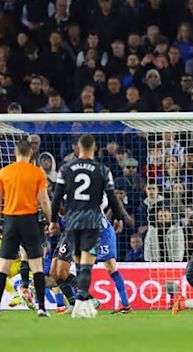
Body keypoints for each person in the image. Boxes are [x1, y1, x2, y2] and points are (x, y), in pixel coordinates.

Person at [49, 134, 123, 319]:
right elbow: (112, 197)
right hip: (91, 222)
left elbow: (56, 198)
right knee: (85, 267)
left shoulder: (66, 169)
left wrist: (53, 221)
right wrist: (119, 217)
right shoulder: (102, 169)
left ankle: (81, 305)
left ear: (78, 148)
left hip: (73, 223)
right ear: (94, 148)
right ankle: (84, 305)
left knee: (74, 266)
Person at [0, 140, 52, 317]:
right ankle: (42, 308)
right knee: (37, 265)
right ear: (31, 153)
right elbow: (44, 200)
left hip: (11, 220)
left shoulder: (5, 172)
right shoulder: (37, 173)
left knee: (4, 266)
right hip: (30, 221)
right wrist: (51, 220)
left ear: (15, 152)